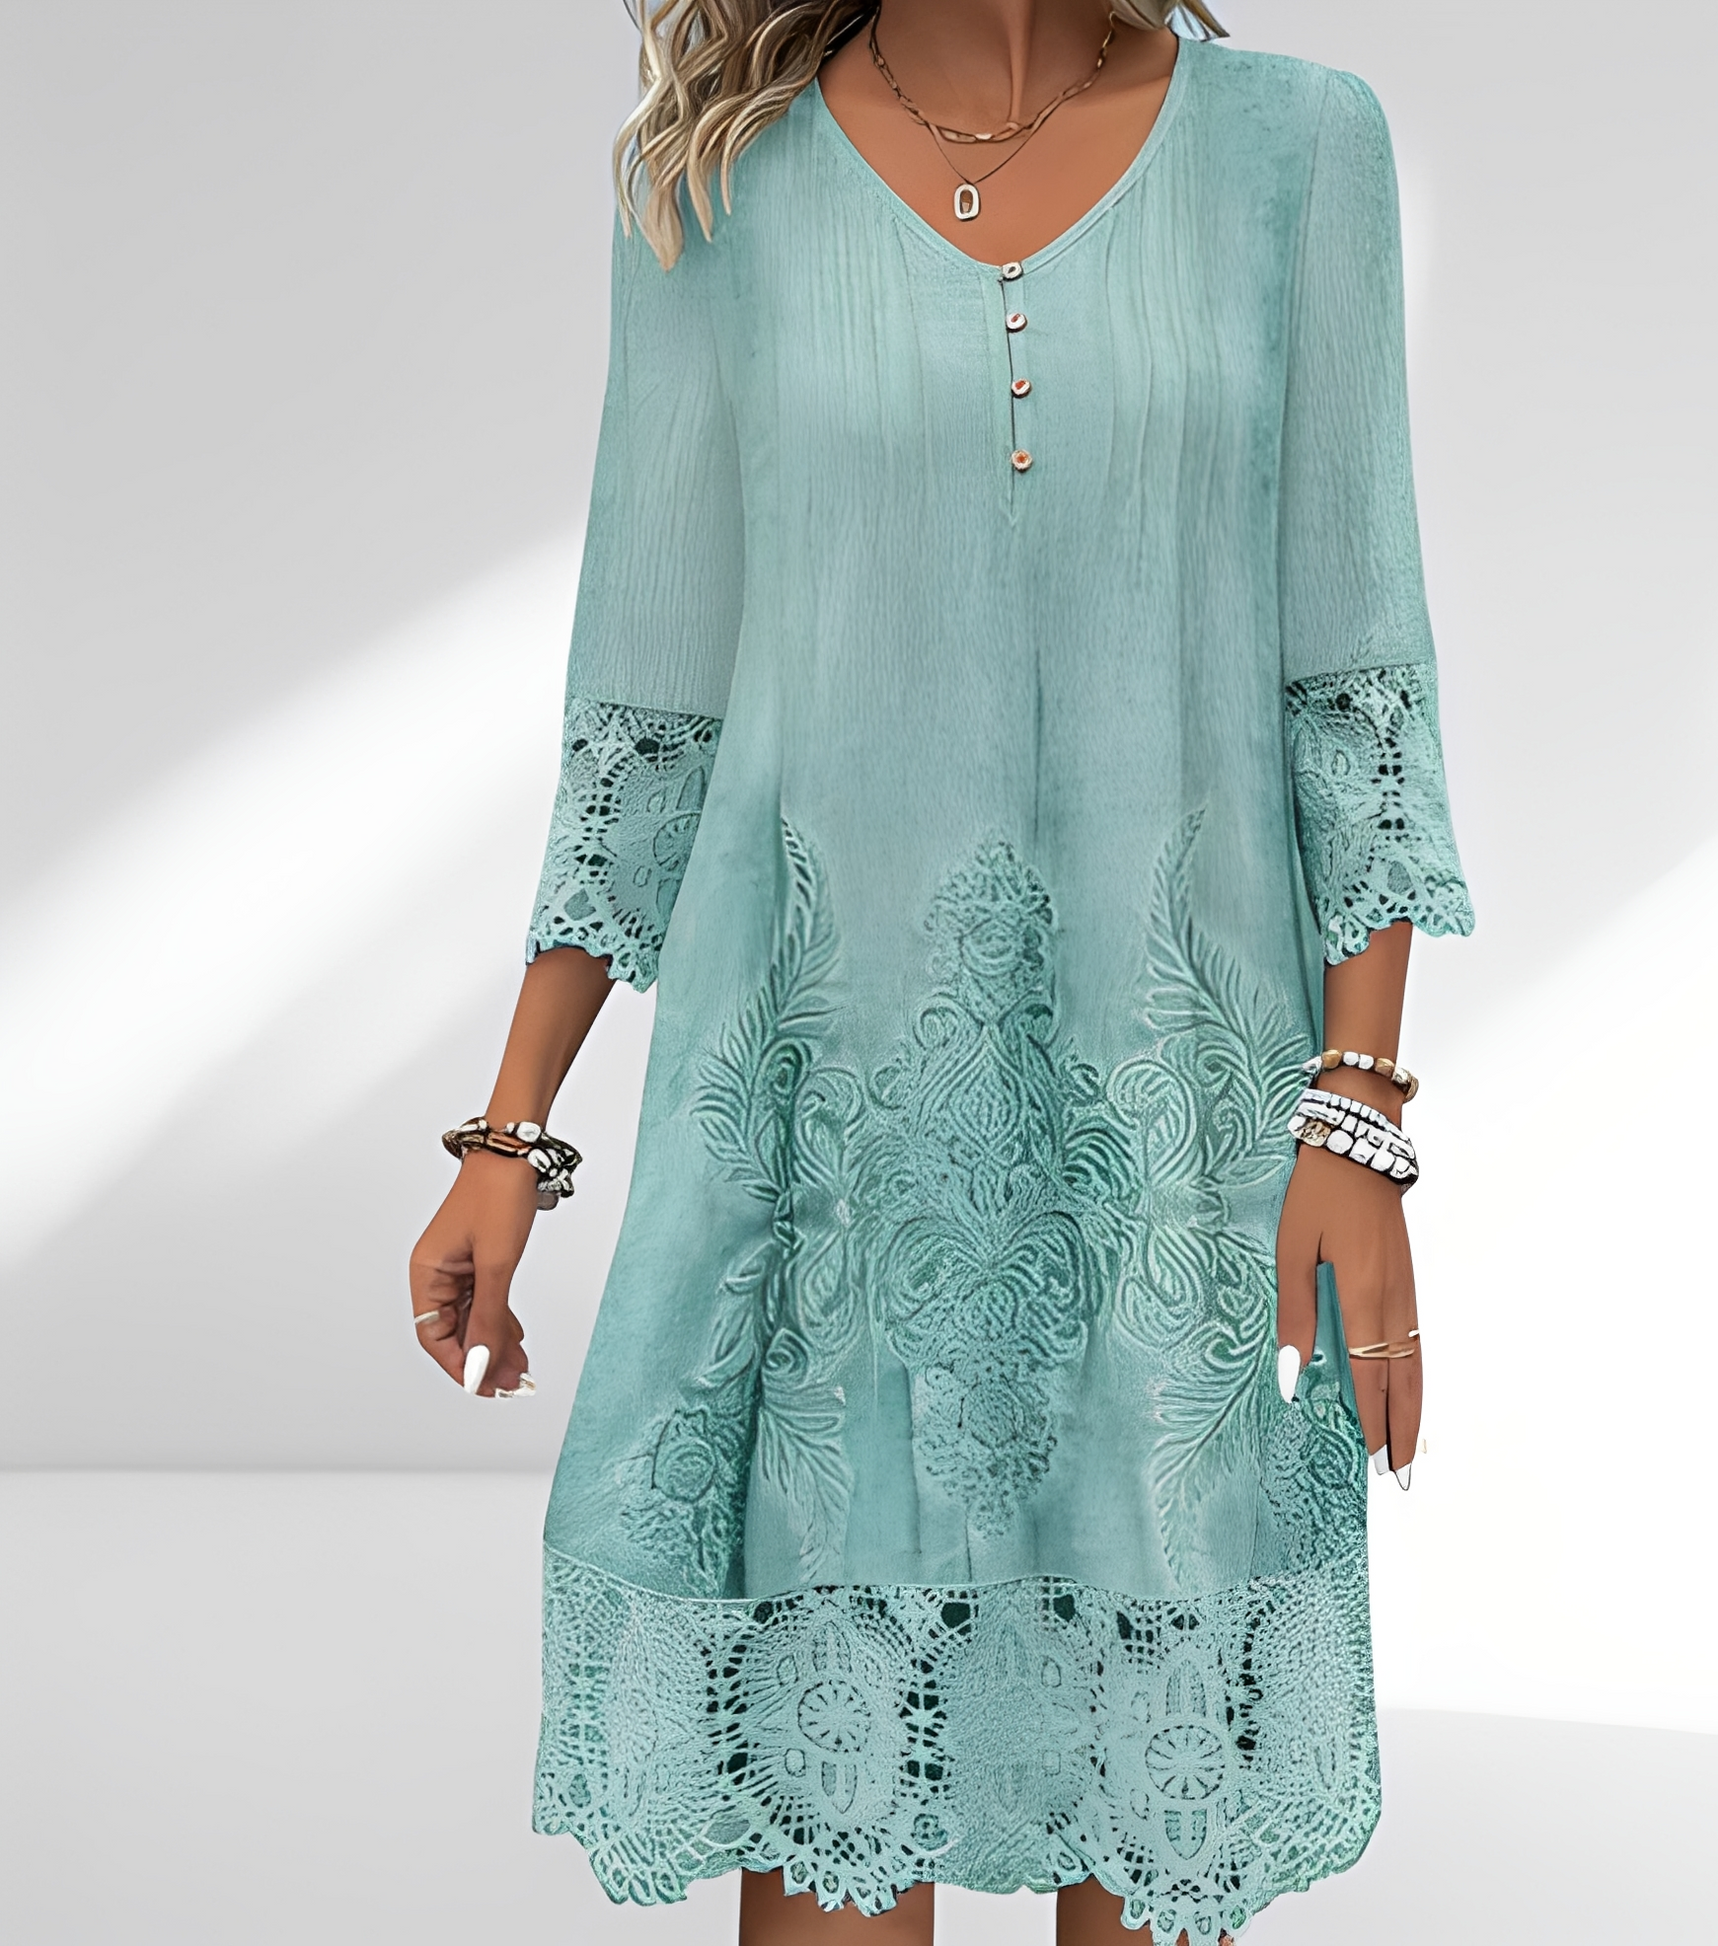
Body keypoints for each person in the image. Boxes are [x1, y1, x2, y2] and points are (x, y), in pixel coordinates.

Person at [408, 3, 1472, 1940]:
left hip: (1170, 1138)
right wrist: (512, 1125)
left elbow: (1354, 664)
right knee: (830, 1805)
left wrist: (1357, 1106)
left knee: (1156, 1810)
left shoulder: (1299, 147)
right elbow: (650, 692)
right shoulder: (718, 183)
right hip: (819, 1151)